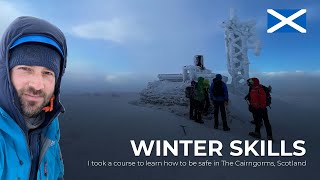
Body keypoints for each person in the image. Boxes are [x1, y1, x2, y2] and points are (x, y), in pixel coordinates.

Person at [0, 16, 67, 179]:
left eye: (47, 73)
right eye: (25, 68)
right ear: (5, 72)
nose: (37, 85)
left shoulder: (49, 126)